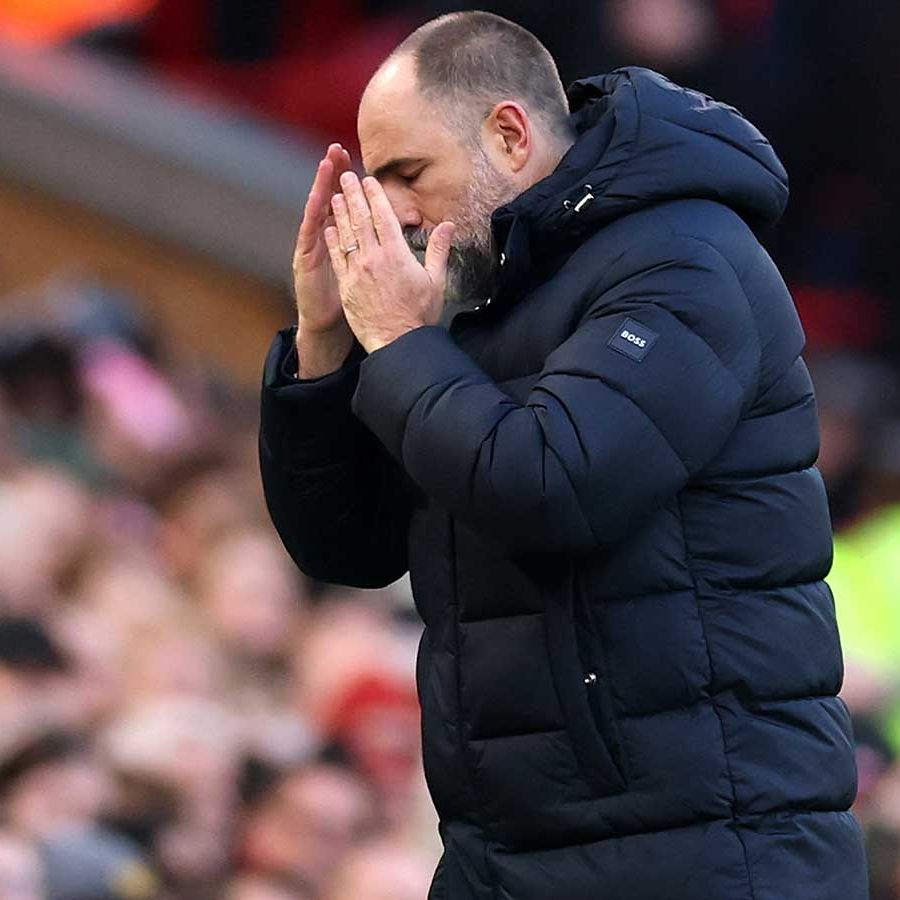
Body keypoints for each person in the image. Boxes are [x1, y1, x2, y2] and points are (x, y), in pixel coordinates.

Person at [259, 11, 869, 899]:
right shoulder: (484, 295)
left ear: (510, 135)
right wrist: (324, 344)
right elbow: (347, 548)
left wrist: (398, 341)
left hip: (703, 852)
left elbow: (552, 486)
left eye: (409, 173)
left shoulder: (684, 259)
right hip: (512, 848)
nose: (395, 213)